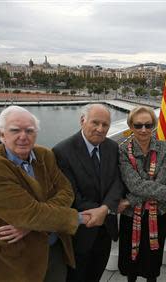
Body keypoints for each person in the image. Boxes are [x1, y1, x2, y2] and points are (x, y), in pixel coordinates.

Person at [0, 106, 82, 282]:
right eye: (15, 130)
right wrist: (78, 218)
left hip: (54, 249)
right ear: (1, 135)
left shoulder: (44, 155)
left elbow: (66, 191)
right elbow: (29, 213)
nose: (23, 136)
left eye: (29, 131)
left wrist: (31, 223)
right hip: (17, 259)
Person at [53, 104, 124, 282]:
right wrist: (101, 211)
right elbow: (71, 195)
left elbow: (117, 182)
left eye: (105, 125)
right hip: (79, 234)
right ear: (82, 121)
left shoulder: (112, 147)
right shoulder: (62, 151)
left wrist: (106, 209)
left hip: (105, 230)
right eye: (95, 123)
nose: (100, 129)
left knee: (96, 275)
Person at [117, 106, 166, 282]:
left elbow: (158, 183)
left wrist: (130, 201)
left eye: (148, 125)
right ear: (131, 126)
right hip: (132, 217)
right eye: (138, 125)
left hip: (156, 214)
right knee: (131, 261)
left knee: (152, 262)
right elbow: (135, 185)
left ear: (154, 125)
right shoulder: (123, 150)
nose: (144, 130)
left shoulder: (163, 148)